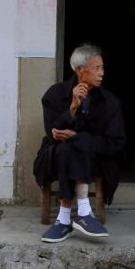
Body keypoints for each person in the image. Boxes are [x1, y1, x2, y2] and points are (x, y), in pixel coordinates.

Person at [34, 43, 125, 243]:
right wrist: (73, 108)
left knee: (77, 142)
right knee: (66, 149)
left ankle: (64, 219)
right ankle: (84, 212)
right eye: (97, 68)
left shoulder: (110, 102)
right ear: (80, 70)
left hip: (95, 160)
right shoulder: (54, 94)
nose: (102, 73)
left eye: (102, 68)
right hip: (56, 160)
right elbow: (52, 132)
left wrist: (77, 138)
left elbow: (116, 143)